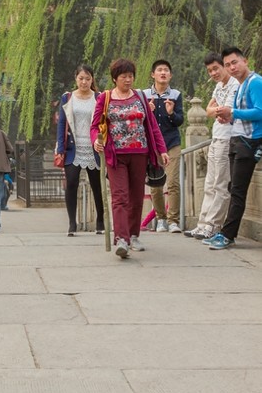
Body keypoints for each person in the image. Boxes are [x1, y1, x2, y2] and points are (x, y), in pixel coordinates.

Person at [91, 58, 169, 259]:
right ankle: (122, 239)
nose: (128, 80)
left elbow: (152, 126)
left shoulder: (141, 97)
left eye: (131, 76)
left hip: (140, 153)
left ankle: (134, 235)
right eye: (124, 76)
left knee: (135, 198)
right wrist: (95, 142)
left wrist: (162, 150)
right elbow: (94, 126)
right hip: (116, 155)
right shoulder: (105, 98)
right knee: (120, 197)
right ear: (115, 78)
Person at [208, 45, 262, 249]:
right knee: (233, 188)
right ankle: (225, 233)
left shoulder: (255, 82)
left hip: (250, 141)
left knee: (237, 190)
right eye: (228, 64)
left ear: (245, 61)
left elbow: (260, 112)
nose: (231, 67)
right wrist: (228, 118)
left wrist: (234, 113)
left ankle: (227, 235)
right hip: (238, 139)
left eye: (234, 62)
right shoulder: (241, 85)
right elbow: (239, 114)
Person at [184, 53, 241, 239]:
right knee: (209, 183)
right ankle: (202, 224)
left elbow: (229, 111)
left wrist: (219, 111)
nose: (213, 73)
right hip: (216, 137)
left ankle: (214, 225)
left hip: (228, 138)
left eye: (216, 68)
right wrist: (218, 110)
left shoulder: (236, 84)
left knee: (220, 184)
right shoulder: (218, 86)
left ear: (224, 66)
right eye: (210, 71)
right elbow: (208, 110)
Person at [56, 64, 105, 236]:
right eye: (81, 78)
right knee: (71, 183)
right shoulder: (67, 97)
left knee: (97, 185)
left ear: (92, 80)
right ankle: (71, 222)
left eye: (88, 79)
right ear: (75, 78)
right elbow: (62, 123)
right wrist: (60, 148)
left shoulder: (99, 97)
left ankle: (100, 220)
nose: (84, 82)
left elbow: (104, 122)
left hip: (94, 147)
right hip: (73, 147)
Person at [144, 59, 184, 232]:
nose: (163, 73)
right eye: (159, 70)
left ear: (170, 75)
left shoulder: (175, 94)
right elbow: (140, 122)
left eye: (166, 70)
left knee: (173, 182)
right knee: (156, 182)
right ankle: (161, 219)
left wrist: (171, 113)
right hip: (153, 145)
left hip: (172, 143)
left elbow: (180, 120)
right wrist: (148, 112)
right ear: (153, 74)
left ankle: (173, 220)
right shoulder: (144, 95)